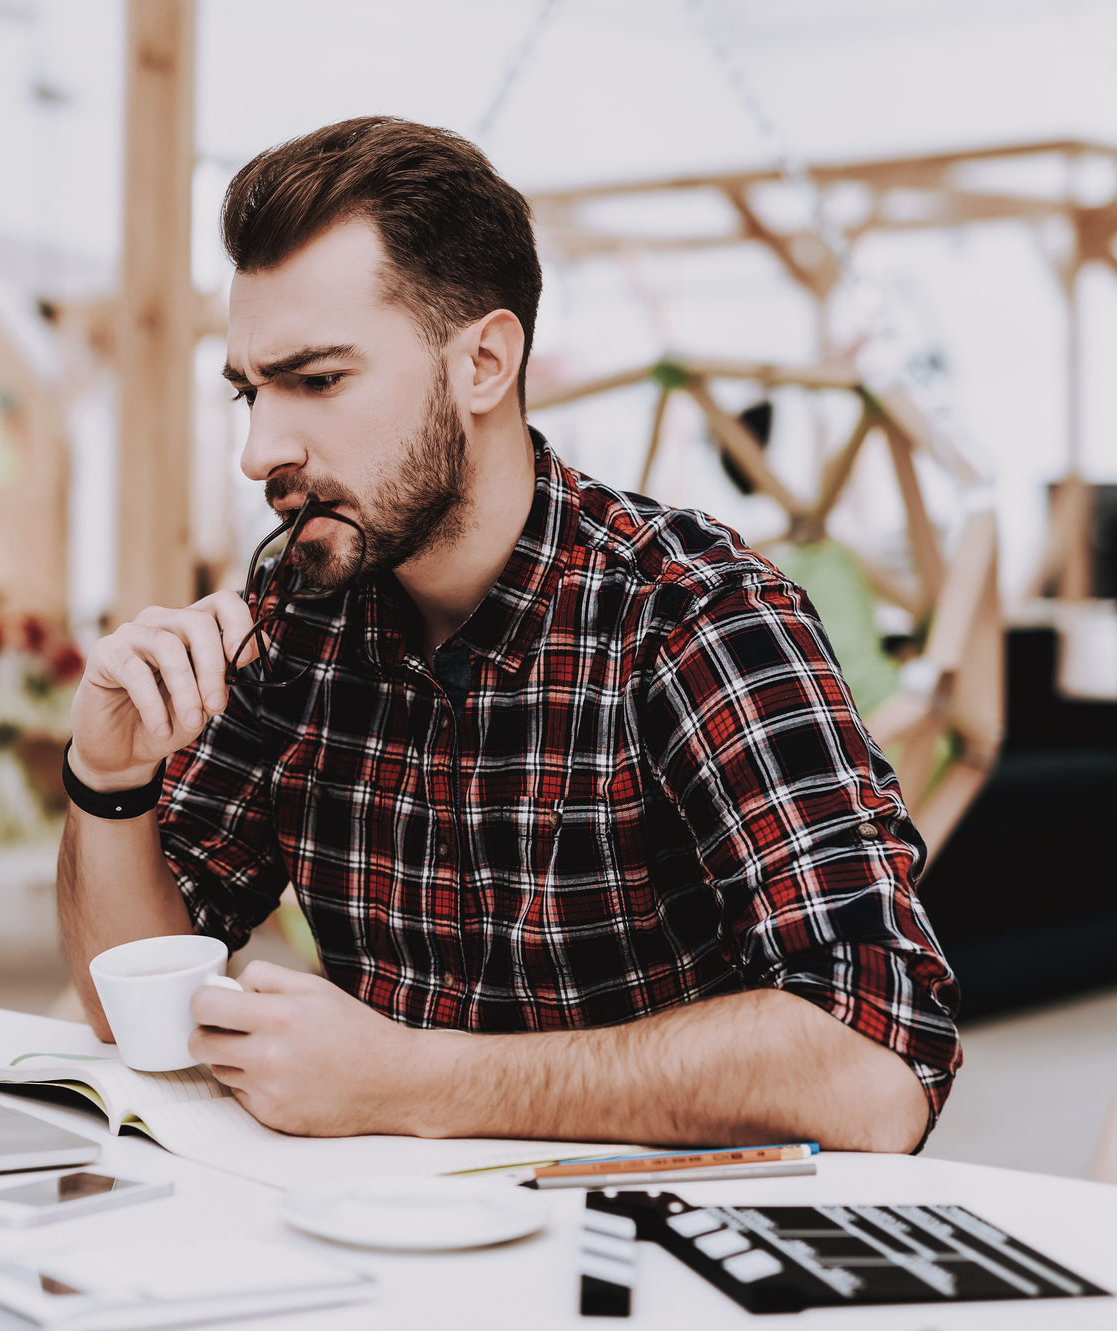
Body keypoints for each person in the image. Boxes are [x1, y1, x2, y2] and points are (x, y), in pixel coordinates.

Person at [56, 116, 959, 1153]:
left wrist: (410, 1080)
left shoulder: (693, 614)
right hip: (364, 1250)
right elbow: (127, 1005)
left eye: (317, 380)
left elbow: (876, 1068)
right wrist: (107, 777)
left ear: (483, 361)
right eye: (250, 392)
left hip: (650, 1260)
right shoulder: (296, 618)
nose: (261, 449)